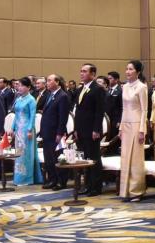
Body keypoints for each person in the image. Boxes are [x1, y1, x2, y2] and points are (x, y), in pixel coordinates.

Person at [74, 63, 106, 196]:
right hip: (81, 129)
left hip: (92, 130)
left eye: (85, 71)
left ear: (92, 74)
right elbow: (78, 111)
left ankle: (96, 187)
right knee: (85, 159)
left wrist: (96, 129)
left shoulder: (98, 89)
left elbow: (99, 111)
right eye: (81, 71)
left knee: (94, 158)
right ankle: (87, 185)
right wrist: (76, 129)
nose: (81, 73)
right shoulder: (81, 89)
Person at [119, 60, 148, 201]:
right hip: (126, 125)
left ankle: (137, 191)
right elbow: (124, 108)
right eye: (127, 69)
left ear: (138, 72)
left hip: (137, 125)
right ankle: (125, 190)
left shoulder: (142, 87)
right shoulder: (124, 87)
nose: (128, 72)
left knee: (136, 159)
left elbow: (144, 110)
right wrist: (121, 127)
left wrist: (142, 130)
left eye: (131, 69)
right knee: (125, 157)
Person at [40, 74, 70, 190]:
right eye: (47, 81)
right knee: (49, 158)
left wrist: (60, 133)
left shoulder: (62, 96)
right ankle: (52, 179)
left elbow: (63, 117)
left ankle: (61, 181)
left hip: (55, 132)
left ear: (57, 82)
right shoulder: (50, 94)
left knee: (57, 157)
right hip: (47, 131)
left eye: (49, 81)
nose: (47, 83)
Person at [11, 77, 43, 186]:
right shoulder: (18, 99)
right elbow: (16, 115)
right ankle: (19, 177)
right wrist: (12, 128)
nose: (19, 88)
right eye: (18, 85)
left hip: (26, 130)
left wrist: (29, 130)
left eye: (22, 85)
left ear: (28, 87)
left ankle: (27, 178)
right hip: (19, 130)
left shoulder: (31, 99)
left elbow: (32, 116)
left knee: (26, 154)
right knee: (19, 154)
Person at [104, 71, 123, 149]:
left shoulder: (120, 90)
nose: (108, 80)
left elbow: (122, 107)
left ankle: (115, 150)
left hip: (116, 117)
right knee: (109, 134)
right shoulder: (108, 90)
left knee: (115, 134)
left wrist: (120, 120)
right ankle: (109, 150)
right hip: (108, 117)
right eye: (108, 78)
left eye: (110, 78)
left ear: (116, 80)